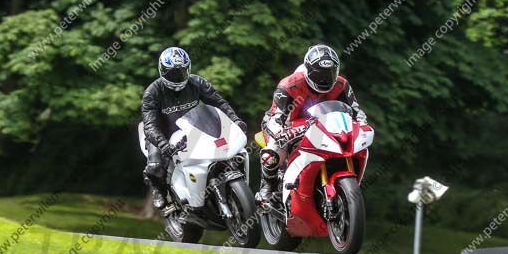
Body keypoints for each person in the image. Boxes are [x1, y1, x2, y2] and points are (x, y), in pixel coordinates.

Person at [256, 44, 368, 203]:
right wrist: (280, 133)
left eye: (330, 73)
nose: (325, 78)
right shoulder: (289, 84)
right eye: (319, 74)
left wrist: (363, 125)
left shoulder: (341, 85)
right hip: (287, 125)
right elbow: (276, 116)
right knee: (272, 151)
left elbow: (357, 111)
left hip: (321, 126)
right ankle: (267, 187)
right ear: (308, 70)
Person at [142, 47, 247, 209]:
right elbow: (149, 125)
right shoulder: (152, 92)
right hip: (162, 134)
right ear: (162, 71)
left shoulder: (198, 83)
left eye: (181, 72)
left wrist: (235, 120)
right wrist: (162, 144)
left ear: (188, 68)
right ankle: (159, 191)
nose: (177, 77)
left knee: (230, 150)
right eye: (172, 73)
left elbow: (219, 103)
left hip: (193, 128)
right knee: (155, 167)